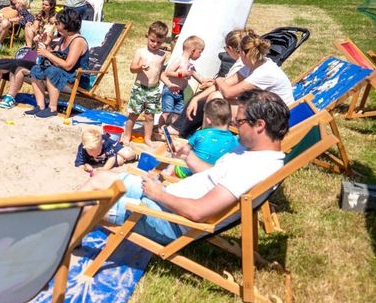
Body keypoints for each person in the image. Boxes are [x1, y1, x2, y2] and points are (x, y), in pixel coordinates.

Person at [84, 89, 289, 243]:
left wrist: (158, 194)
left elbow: (198, 212)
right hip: (170, 198)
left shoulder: (256, 168)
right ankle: (59, 226)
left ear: (260, 125)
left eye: (240, 122)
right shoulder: (252, 152)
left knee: (85, 202)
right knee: (99, 178)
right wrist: (189, 157)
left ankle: (57, 244)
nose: (235, 126)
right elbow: (217, 175)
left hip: (168, 220)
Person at [27, 7, 89, 117]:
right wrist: (45, 45)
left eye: (58, 22)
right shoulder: (63, 38)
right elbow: (54, 56)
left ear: (66, 24)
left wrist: (47, 53)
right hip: (62, 72)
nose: (56, 25)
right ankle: (40, 106)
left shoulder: (78, 41)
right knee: (36, 69)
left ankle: (52, 108)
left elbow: (68, 65)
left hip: (76, 77)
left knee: (52, 71)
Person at [215, 31, 294, 108]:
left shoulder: (264, 73)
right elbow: (228, 83)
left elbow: (228, 93)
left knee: (217, 101)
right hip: (265, 108)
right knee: (216, 97)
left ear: (242, 53)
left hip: (277, 116)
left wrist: (218, 79)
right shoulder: (257, 64)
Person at [165, 98, 240, 179]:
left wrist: (176, 148)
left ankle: (167, 172)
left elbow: (185, 151)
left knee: (177, 155)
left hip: (189, 173)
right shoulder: (234, 140)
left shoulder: (201, 134)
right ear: (229, 118)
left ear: (208, 120)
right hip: (214, 176)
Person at [121, 21, 168, 145]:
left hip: (153, 89)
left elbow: (160, 72)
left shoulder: (162, 55)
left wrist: (168, 83)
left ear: (163, 41)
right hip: (139, 88)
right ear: (147, 35)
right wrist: (140, 68)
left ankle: (147, 138)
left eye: (159, 42)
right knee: (133, 114)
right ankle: (127, 135)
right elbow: (132, 68)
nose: (155, 44)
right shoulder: (141, 52)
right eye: (152, 40)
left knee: (149, 116)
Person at [160, 35, 206, 130]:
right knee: (167, 112)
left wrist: (207, 81)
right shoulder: (179, 60)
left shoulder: (190, 65)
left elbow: (199, 77)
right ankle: (160, 127)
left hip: (180, 93)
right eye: (199, 52)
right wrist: (181, 74)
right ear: (193, 50)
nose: (200, 55)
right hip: (170, 90)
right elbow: (168, 72)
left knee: (178, 112)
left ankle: (170, 128)